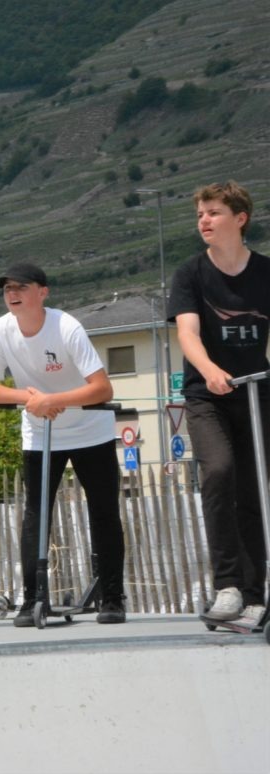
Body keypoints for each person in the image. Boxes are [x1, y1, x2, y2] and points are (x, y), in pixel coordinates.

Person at [0, 262, 127, 626]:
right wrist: (29, 398)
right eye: (7, 288)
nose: (12, 294)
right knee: (35, 515)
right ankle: (32, 599)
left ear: (43, 292)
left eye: (20, 287)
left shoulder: (66, 326)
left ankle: (113, 596)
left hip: (91, 429)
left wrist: (55, 400)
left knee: (104, 511)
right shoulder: (0, 329)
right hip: (40, 431)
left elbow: (102, 388)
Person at [167, 181, 268, 627]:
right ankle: (226, 585)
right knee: (220, 471)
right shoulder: (190, 274)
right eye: (200, 215)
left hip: (256, 391)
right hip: (207, 394)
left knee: (254, 490)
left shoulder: (266, 272)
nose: (203, 221)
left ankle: (255, 593)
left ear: (239, 218)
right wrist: (209, 369)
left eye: (213, 213)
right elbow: (187, 333)